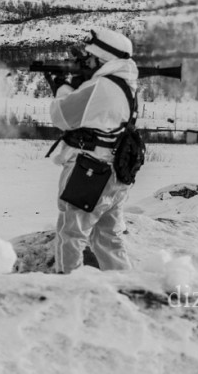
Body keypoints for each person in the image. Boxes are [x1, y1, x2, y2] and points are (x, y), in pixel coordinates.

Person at [47, 28, 139, 273]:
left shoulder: (101, 86)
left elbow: (62, 116)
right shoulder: (125, 83)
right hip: (114, 172)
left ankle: (70, 285)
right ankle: (124, 285)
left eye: (90, 58)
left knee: (71, 235)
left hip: (92, 171)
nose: (86, 61)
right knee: (108, 237)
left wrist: (63, 87)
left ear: (103, 59)